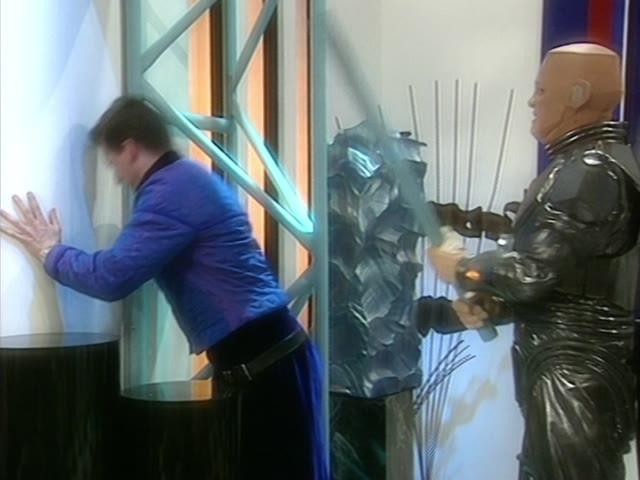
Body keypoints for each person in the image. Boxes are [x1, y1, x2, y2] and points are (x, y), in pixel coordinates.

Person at [0, 96, 328, 479]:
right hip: (272, 359)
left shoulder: (170, 191)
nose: (116, 178)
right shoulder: (189, 178)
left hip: (266, 368)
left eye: (113, 164)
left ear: (130, 148)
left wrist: (51, 252)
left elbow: (112, 277)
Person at [428, 43, 639, 480]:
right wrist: (495, 305)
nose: (532, 101)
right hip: (565, 367)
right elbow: (564, 283)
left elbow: (532, 273)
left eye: (541, 90)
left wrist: (465, 269)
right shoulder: (583, 166)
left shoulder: (591, 172)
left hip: (574, 372)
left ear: (577, 95)